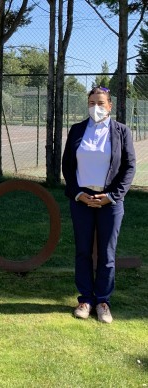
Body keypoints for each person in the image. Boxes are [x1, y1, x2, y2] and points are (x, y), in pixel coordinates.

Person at [62, 86, 136, 324]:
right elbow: (67, 167)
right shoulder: (76, 130)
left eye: (101, 103)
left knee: (106, 253)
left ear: (110, 105)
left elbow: (128, 167)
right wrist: (77, 194)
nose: (96, 107)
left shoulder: (122, 131)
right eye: (92, 102)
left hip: (110, 201)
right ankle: (85, 300)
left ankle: (103, 301)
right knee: (83, 251)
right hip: (82, 200)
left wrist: (112, 196)